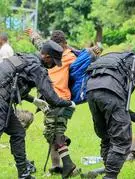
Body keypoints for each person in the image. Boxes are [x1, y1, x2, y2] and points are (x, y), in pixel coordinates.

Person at [0, 40, 74, 179]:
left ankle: (24, 173)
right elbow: (52, 97)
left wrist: (33, 100)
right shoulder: (36, 67)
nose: (53, 65)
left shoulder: (25, 58)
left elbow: (13, 85)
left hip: (4, 101)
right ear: (46, 56)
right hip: (1, 102)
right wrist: (68, 103)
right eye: (53, 61)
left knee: (18, 132)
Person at [86, 51, 135, 179]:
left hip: (90, 90)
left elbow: (123, 109)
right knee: (121, 141)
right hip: (111, 91)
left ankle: (108, 171)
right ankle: (110, 176)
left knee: (106, 137)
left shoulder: (117, 59)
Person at [25, 29, 81, 177]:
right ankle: (56, 166)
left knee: (55, 132)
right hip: (49, 100)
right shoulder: (67, 54)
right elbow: (39, 43)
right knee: (52, 132)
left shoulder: (64, 55)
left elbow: (39, 43)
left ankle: (69, 166)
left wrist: (32, 34)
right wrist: (32, 35)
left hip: (60, 100)